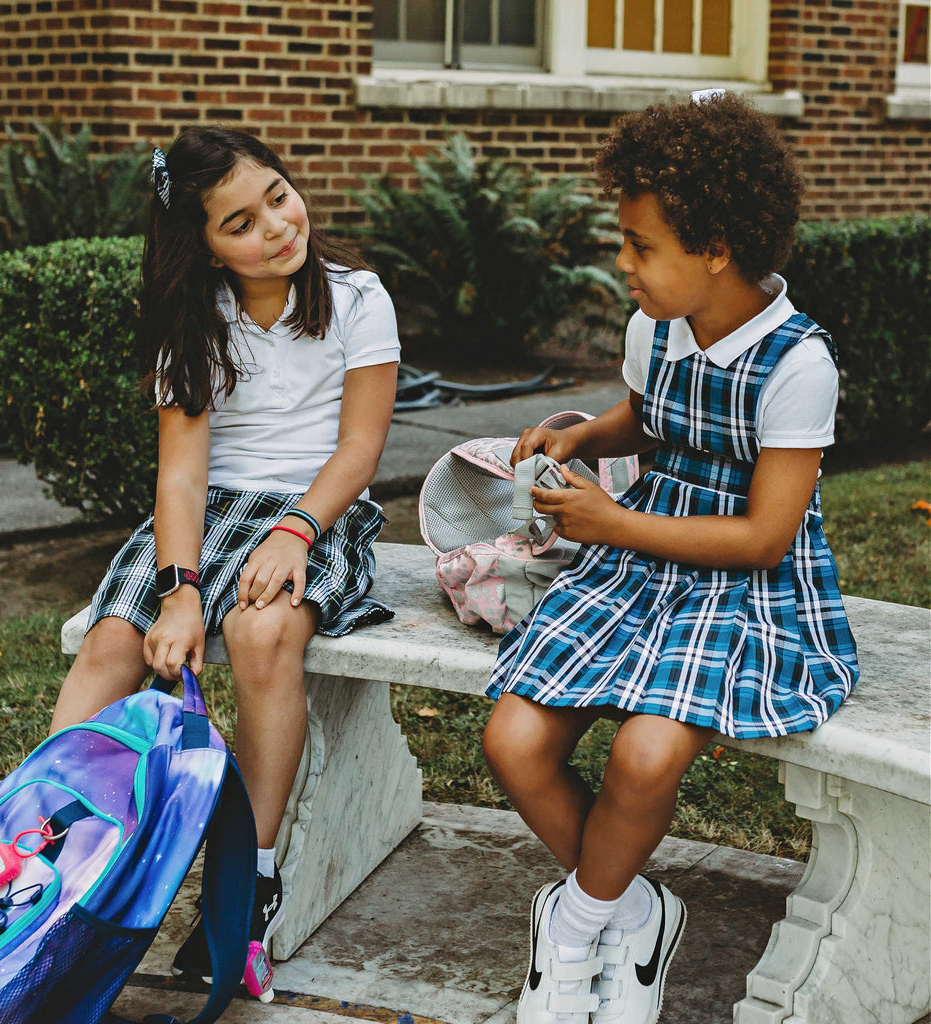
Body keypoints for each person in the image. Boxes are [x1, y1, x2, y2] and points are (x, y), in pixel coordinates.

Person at [481, 91, 859, 1024]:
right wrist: (581, 435)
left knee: (645, 756)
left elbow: (764, 535)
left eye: (640, 245)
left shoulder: (795, 363)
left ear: (715, 249)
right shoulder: (655, 327)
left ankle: (571, 933)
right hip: (641, 560)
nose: (622, 264)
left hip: (742, 582)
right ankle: (629, 907)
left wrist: (609, 524)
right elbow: (652, 420)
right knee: (512, 741)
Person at [48, 126, 400, 985]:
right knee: (110, 644)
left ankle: (252, 874)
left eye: (277, 196)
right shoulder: (193, 321)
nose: (276, 226)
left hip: (318, 510)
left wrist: (295, 532)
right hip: (206, 513)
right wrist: (177, 591)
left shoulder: (357, 298)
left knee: (259, 632)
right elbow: (180, 479)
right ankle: (49, 850)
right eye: (240, 223)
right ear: (205, 249)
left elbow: (359, 449)